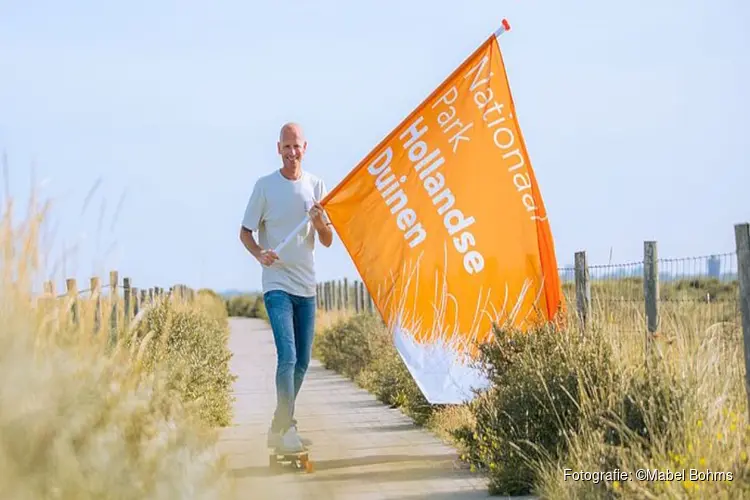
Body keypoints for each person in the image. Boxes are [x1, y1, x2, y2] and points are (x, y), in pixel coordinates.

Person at [239, 122, 333, 452]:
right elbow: (245, 232)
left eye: (297, 146)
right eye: (287, 146)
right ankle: (287, 427)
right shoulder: (265, 187)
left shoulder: (316, 186)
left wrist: (320, 221)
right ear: (278, 148)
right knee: (288, 357)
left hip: (306, 286)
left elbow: (327, 240)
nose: (292, 152)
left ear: (305, 148)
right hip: (276, 284)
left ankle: (278, 425)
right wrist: (259, 253)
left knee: (304, 362)